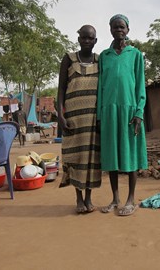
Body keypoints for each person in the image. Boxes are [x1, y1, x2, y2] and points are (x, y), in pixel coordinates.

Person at [97, 14, 147, 216]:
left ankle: (130, 199)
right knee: (111, 157)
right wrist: (100, 115)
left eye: (122, 27)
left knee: (131, 155)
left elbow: (140, 85)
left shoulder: (135, 55)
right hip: (109, 111)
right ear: (110, 30)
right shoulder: (104, 56)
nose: (119, 30)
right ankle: (115, 198)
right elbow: (100, 87)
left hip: (130, 111)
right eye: (115, 27)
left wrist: (139, 112)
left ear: (128, 30)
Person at [57, 25, 101, 214]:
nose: (86, 41)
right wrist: (60, 115)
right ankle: (78, 198)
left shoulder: (100, 60)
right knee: (75, 157)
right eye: (83, 38)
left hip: (93, 119)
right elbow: (60, 90)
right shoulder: (68, 58)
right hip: (74, 118)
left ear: (95, 41)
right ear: (78, 39)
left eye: (90, 38)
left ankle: (89, 197)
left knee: (92, 158)